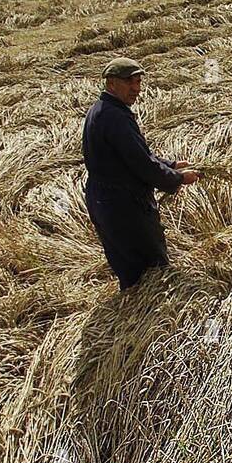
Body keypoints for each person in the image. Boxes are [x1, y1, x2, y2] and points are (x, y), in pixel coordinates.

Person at [82, 57, 200, 291]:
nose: (136, 89)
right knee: (150, 269)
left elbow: (134, 154)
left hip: (104, 202)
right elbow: (142, 165)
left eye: (138, 82)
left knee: (128, 270)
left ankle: (135, 317)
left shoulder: (101, 110)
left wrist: (172, 164)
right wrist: (178, 179)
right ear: (112, 83)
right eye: (130, 83)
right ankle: (152, 320)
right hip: (124, 206)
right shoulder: (115, 117)